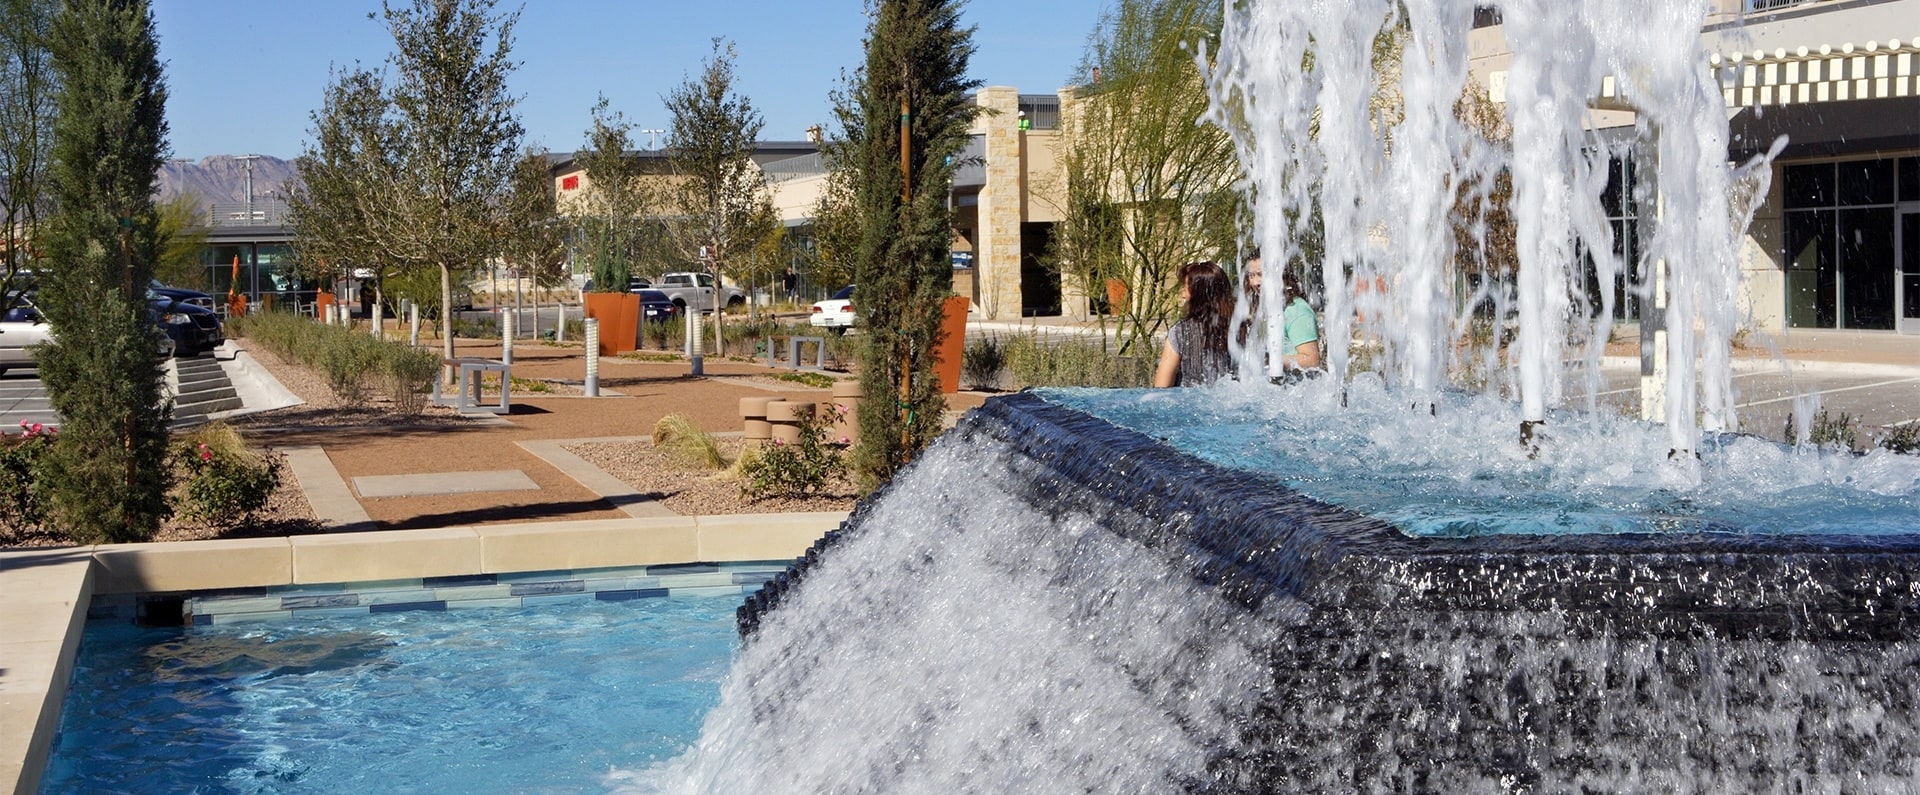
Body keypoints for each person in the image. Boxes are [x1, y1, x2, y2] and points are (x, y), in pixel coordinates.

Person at [1154, 261, 1236, 387]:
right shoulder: (1241, 328)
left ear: (1198, 295)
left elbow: (1161, 386)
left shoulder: (1181, 331)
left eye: (1185, 289)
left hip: (1189, 403)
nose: (1183, 295)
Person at [1279, 271, 1322, 371]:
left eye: (1261, 274)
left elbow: (1311, 360)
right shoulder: (1268, 310)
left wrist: (1271, 361)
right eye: (1251, 276)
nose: (1256, 282)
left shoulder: (1296, 309)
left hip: (1297, 384)